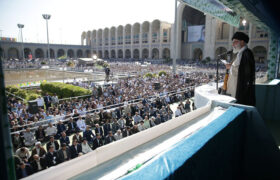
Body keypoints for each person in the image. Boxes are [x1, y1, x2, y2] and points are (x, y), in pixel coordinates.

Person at [225, 32, 255, 106]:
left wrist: (230, 67)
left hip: (240, 90)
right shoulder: (240, 54)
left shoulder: (247, 54)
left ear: (242, 42)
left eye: (235, 42)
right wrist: (231, 66)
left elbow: (246, 73)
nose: (233, 45)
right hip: (234, 88)